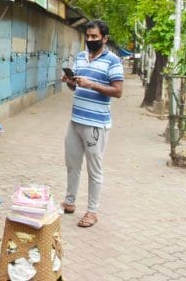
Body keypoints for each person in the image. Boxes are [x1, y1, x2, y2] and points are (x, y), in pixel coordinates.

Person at [60, 19, 123, 228]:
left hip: (96, 124)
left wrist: (92, 84)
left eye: (94, 37)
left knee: (94, 169)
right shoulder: (80, 57)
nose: (90, 40)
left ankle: (92, 211)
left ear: (104, 38)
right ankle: (69, 202)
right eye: (88, 36)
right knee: (72, 164)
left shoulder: (113, 61)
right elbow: (76, 88)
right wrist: (70, 82)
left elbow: (118, 91)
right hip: (75, 120)